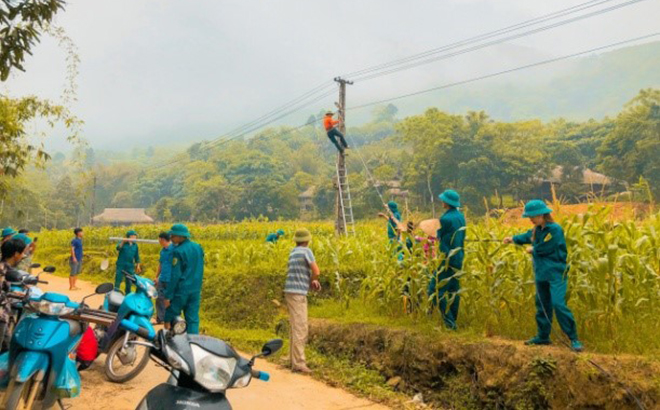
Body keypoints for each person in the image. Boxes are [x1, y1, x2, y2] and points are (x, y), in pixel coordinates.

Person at [503, 200, 584, 352]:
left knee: (558, 304)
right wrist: (512, 239)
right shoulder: (537, 229)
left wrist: (534, 249)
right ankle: (543, 336)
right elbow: (527, 236)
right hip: (541, 273)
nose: (530, 220)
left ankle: (574, 338)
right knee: (542, 305)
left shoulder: (554, 229)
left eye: (532, 216)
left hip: (555, 273)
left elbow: (549, 245)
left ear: (541, 214)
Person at [284, 228, 321, 374]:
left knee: (295, 326)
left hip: (290, 291)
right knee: (301, 327)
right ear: (307, 240)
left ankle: (292, 360)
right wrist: (314, 280)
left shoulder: (293, 252)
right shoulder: (307, 252)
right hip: (298, 293)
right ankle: (299, 362)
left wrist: (311, 281)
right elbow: (316, 271)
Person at [428, 189, 465, 330]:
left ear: (447, 202)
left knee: (435, 290)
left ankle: (449, 324)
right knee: (454, 291)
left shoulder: (445, 219)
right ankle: (453, 320)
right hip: (459, 257)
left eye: (443, 200)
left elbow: (437, 235)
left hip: (447, 258)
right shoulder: (460, 217)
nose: (441, 201)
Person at [163, 224, 204, 334]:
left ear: (180, 236)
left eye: (172, 236)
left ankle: (170, 343)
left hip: (182, 290)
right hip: (196, 289)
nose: (170, 238)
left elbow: (175, 276)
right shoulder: (198, 248)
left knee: (170, 316)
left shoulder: (178, 251)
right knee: (193, 319)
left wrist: (167, 296)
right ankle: (192, 343)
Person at [0, 238, 29, 348]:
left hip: (5, 313)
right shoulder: (2, 270)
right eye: (22, 253)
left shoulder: (7, 269)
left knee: (8, 347)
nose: (23, 256)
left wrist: (12, 293)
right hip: (1, 315)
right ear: (16, 254)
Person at [155, 232, 174, 324]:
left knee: (169, 300)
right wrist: (156, 277)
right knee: (159, 298)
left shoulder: (174, 250)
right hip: (162, 278)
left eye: (159, 240)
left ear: (163, 240)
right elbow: (160, 264)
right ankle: (160, 318)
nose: (159, 242)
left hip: (171, 279)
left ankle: (170, 318)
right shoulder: (162, 251)